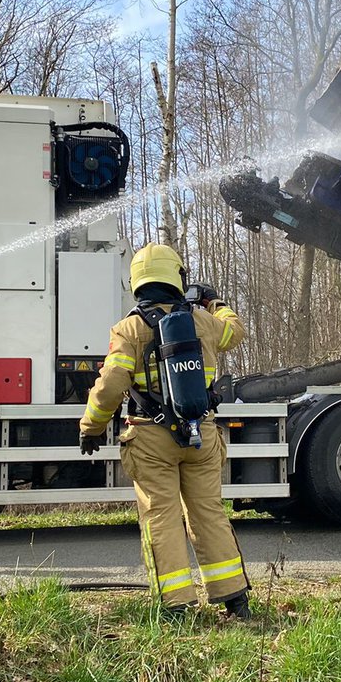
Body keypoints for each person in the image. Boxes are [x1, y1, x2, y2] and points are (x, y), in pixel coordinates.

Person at [79, 243, 252, 619]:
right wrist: (214, 301)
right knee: (208, 512)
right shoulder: (202, 321)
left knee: (161, 515)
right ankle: (235, 597)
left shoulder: (129, 328)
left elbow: (110, 385)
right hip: (201, 433)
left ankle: (176, 605)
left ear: (137, 282)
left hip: (151, 438)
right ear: (176, 278)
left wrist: (90, 427)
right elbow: (235, 333)